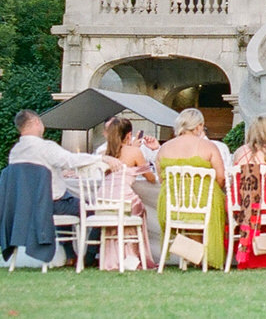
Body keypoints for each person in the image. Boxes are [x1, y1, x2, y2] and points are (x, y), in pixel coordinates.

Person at [8, 110, 124, 264]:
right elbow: (70, 160)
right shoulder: (44, 147)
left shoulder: (15, 152)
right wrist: (101, 158)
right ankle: (89, 256)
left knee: (70, 201)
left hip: (26, 207)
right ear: (36, 122)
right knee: (97, 211)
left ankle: (70, 255)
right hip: (52, 205)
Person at [155, 107, 228, 269]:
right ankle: (202, 257)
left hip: (172, 205)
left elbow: (161, 179)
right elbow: (221, 177)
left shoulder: (164, 148)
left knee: (188, 212)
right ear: (199, 126)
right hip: (203, 204)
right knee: (215, 203)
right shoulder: (209, 147)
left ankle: (193, 256)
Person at [98, 116, 154, 270]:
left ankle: (113, 258)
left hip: (102, 200)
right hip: (123, 199)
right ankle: (131, 256)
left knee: (121, 212)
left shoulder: (103, 152)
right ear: (129, 135)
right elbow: (150, 178)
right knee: (139, 208)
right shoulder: (134, 152)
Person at [229, 116, 266, 269]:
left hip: (238, 202)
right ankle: (263, 256)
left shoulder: (239, 151)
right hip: (260, 204)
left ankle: (240, 256)